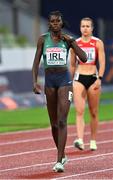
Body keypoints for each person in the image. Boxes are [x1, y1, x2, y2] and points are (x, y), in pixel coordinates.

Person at [32, 11, 87, 172]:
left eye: (58, 21)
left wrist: (73, 43)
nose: (55, 23)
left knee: (62, 121)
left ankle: (59, 160)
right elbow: (36, 63)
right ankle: (62, 155)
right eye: (53, 21)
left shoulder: (68, 40)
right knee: (54, 124)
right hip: (49, 82)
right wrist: (35, 82)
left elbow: (83, 58)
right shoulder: (43, 39)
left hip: (64, 81)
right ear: (49, 23)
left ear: (62, 23)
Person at [70, 17, 105, 151]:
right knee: (79, 111)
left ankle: (93, 140)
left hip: (93, 77)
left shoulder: (97, 43)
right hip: (79, 78)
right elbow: (72, 64)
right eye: (83, 26)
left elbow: (102, 62)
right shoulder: (75, 44)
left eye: (87, 26)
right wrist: (70, 80)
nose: (85, 28)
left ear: (92, 28)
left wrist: (99, 78)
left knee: (94, 112)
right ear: (80, 28)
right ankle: (79, 139)